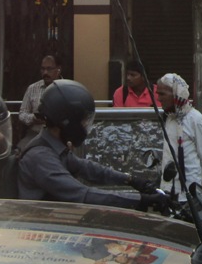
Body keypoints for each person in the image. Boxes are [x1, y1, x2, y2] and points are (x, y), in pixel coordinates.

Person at [18, 79, 169, 212]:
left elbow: (88, 168)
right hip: (42, 233)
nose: (85, 126)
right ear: (67, 122)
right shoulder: (41, 156)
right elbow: (82, 194)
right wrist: (140, 200)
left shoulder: (54, 147)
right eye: (82, 121)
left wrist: (131, 180)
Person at [156, 73, 202, 202]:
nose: (158, 98)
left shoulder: (195, 119)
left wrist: (195, 178)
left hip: (187, 191)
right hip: (167, 189)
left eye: (162, 94)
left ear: (176, 94)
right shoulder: (169, 118)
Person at [17, 54, 63, 149]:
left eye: (49, 69)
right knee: (21, 151)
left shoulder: (66, 88)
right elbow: (22, 114)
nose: (45, 72)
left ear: (58, 69)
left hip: (59, 135)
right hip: (35, 134)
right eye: (43, 69)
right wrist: (33, 118)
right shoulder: (32, 88)